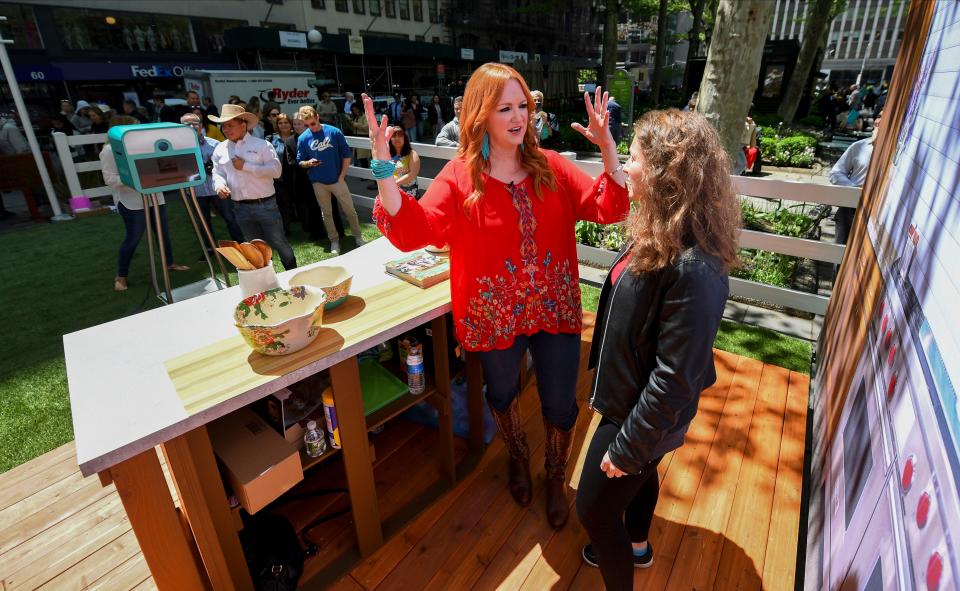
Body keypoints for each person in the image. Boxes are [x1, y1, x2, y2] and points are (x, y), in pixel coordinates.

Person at [363, 62, 629, 529]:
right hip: (493, 317)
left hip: (555, 309)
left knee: (561, 403)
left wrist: (608, 147)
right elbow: (412, 231)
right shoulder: (458, 177)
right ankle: (518, 458)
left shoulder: (553, 168)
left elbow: (611, 207)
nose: (517, 115)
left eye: (522, 105)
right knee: (503, 393)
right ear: (480, 114)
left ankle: (554, 474)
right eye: (504, 106)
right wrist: (385, 167)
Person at [575, 109, 739, 589]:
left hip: (638, 414)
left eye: (632, 158)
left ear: (666, 173)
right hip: (633, 399)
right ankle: (639, 545)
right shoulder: (665, 229)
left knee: (594, 509)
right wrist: (606, 147)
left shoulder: (695, 268)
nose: (625, 168)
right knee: (641, 478)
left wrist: (629, 447)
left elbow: (674, 379)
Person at [101, 115, 190, 291]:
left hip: (156, 197)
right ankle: (121, 276)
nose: (139, 129)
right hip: (132, 202)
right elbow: (109, 178)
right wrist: (135, 177)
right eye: (134, 126)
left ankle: (170, 263)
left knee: (163, 234)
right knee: (133, 238)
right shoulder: (110, 150)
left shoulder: (143, 146)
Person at [209, 103, 297, 270]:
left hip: (266, 205)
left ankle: (293, 275)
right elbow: (217, 172)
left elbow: (276, 171)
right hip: (240, 207)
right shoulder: (220, 149)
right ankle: (266, 281)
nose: (226, 129)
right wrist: (219, 185)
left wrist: (246, 166)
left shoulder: (261, 145)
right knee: (255, 249)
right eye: (224, 126)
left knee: (279, 242)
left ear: (243, 125)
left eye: (230, 125)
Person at [296, 105, 366, 255]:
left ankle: (358, 236)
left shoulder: (334, 132)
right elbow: (300, 161)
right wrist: (308, 163)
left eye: (313, 124)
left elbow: (346, 156)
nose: (311, 128)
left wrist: (341, 177)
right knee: (326, 213)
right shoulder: (303, 138)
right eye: (307, 125)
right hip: (318, 182)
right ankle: (334, 240)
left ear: (317, 117)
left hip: (337, 180)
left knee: (349, 210)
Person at [181, 112, 244, 249]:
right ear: (182, 128)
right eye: (187, 124)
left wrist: (214, 167)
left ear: (201, 125)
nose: (192, 126)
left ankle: (241, 244)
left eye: (195, 123)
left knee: (230, 218)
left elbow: (227, 164)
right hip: (195, 191)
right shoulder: (179, 149)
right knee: (203, 222)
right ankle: (209, 249)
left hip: (217, 188)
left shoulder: (215, 144)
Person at [829, 111, 881, 245]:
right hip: (850, 207)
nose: (878, 121)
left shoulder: (897, 154)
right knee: (840, 252)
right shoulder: (859, 146)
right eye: (878, 116)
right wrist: (854, 189)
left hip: (878, 212)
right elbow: (836, 173)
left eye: (883, 118)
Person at [291, 114, 344, 241]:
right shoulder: (291, 141)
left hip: (323, 177)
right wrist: (307, 165)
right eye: (295, 124)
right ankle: (317, 233)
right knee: (312, 207)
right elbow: (292, 162)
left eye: (300, 123)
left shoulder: (319, 134)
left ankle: (338, 231)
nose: (298, 126)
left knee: (331, 205)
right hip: (305, 180)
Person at [266, 113, 298, 235]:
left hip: (295, 176)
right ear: (277, 125)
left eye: (286, 122)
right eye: (280, 123)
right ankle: (285, 228)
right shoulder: (271, 139)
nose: (283, 125)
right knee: (283, 203)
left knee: (297, 201)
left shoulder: (297, 137)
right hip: (278, 178)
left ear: (290, 124)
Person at [0, 116, 30, 220]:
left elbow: (21, 147)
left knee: (30, 185)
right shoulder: (4, 129)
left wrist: (18, 163)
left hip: (19, 161)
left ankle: (37, 206)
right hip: (14, 162)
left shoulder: (9, 128)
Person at [388, 126, 421, 198]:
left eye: (400, 136)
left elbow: (412, 174)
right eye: (394, 136)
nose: (397, 138)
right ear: (390, 139)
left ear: (404, 138)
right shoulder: (387, 155)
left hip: (410, 197)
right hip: (393, 196)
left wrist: (394, 184)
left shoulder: (412, 154)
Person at [348, 103, 372, 168]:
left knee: (363, 158)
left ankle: (365, 174)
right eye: (353, 110)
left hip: (363, 138)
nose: (354, 111)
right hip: (357, 138)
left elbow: (366, 127)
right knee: (359, 158)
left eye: (355, 110)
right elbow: (354, 129)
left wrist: (354, 124)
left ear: (359, 109)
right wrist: (350, 124)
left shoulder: (365, 116)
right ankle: (363, 173)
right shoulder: (356, 117)